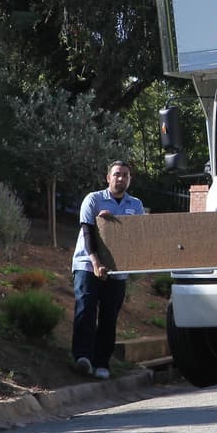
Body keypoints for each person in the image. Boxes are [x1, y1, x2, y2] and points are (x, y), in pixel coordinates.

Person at [71, 159, 144, 379]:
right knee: (86, 308)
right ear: (108, 177)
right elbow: (87, 233)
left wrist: (115, 223)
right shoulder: (93, 200)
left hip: (117, 269)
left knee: (109, 316)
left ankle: (102, 362)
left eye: (125, 175)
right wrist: (95, 263)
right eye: (117, 174)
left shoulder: (136, 205)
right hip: (87, 264)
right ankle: (82, 358)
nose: (121, 178)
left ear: (129, 179)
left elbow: (137, 235)